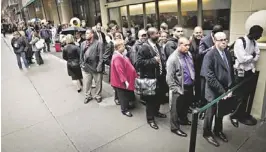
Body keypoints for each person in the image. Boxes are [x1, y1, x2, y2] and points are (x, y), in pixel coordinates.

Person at [202, 32, 234, 147]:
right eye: (221, 40)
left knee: (221, 112)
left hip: (225, 89)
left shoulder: (227, 53)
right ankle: (207, 133)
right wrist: (222, 91)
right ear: (215, 41)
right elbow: (209, 76)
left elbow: (230, 70)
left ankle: (218, 130)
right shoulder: (209, 55)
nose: (224, 42)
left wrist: (230, 87)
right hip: (213, 91)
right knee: (210, 114)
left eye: (225, 39)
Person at [230, 25, 263, 127]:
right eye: (259, 34)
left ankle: (240, 114)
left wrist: (250, 57)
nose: (260, 36)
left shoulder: (254, 42)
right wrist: (252, 57)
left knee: (245, 95)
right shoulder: (240, 41)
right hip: (240, 72)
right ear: (254, 33)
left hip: (249, 72)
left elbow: (257, 55)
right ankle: (233, 116)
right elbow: (242, 59)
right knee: (238, 95)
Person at [136, 27, 167, 130]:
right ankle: (150, 119)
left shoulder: (157, 45)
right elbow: (138, 63)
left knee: (158, 97)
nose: (158, 35)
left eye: (158, 33)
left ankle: (156, 112)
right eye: (156, 34)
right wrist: (153, 60)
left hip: (159, 77)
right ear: (150, 36)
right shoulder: (144, 47)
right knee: (150, 100)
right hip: (149, 79)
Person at [166, 37, 195, 137]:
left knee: (185, 106)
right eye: (185, 45)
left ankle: (183, 120)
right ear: (179, 45)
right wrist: (177, 90)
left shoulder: (189, 54)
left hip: (189, 86)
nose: (188, 47)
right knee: (175, 109)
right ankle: (174, 127)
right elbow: (169, 79)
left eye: (189, 45)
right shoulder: (173, 59)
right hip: (179, 88)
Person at [199, 25, 223, 119]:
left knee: (213, 94)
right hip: (206, 71)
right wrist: (212, 48)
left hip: (216, 71)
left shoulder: (222, 39)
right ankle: (203, 111)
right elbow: (200, 53)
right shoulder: (204, 40)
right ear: (212, 33)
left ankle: (210, 110)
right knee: (204, 92)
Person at [110, 39, 138, 117]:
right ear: (118, 47)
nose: (124, 47)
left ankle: (126, 107)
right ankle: (124, 110)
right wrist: (125, 81)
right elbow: (120, 70)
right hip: (120, 82)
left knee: (125, 95)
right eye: (123, 45)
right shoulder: (117, 57)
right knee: (123, 96)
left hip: (123, 81)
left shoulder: (119, 55)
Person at [80, 29, 103, 103]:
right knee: (87, 83)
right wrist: (81, 64)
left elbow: (101, 56)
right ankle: (88, 96)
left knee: (98, 83)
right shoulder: (83, 44)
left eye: (87, 33)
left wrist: (99, 66)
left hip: (96, 66)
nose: (86, 34)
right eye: (85, 33)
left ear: (92, 34)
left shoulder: (98, 43)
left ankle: (98, 95)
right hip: (86, 67)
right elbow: (81, 55)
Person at [189, 26, 204, 108]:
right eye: (197, 32)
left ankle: (199, 100)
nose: (198, 34)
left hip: (202, 68)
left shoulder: (204, 41)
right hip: (194, 67)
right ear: (194, 33)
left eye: (200, 32)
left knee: (200, 85)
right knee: (193, 86)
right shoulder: (191, 43)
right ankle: (193, 101)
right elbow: (191, 56)